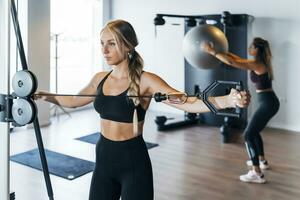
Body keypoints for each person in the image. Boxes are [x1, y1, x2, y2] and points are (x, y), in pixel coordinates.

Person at [36, 19, 250, 199]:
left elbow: (185, 101)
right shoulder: (100, 79)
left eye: (111, 43)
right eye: (102, 43)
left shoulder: (146, 80)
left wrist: (227, 100)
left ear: (127, 46)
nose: (104, 50)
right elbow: (74, 100)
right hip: (103, 159)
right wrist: (45, 95)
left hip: (133, 162)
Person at [201, 37, 280, 184]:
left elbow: (232, 62)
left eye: (252, 46)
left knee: (248, 134)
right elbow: (236, 58)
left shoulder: (257, 63)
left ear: (257, 49)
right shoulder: (259, 62)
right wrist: (221, 51)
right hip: (269, 102)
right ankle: (262, 161)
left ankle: (257, 173)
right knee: (254, 131)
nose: (249, 47)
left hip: (268, 103)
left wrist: (212, 51)